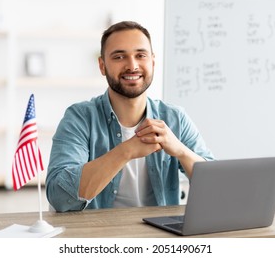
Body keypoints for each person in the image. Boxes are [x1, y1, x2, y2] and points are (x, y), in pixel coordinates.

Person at [46, 21, 214, 212]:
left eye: (140, 55)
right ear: (102, 66)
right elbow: (59, 196)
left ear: (152, 62)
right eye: (119, 57)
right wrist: (127, 151)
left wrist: (181, 151)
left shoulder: (175, 118)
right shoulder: (79, 118)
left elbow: (217, 188)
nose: (132, 66)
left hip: (161, 236)